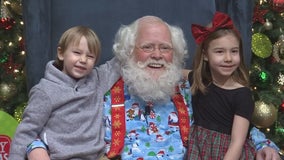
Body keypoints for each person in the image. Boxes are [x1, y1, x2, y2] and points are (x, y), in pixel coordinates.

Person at [27, 16, 281, 160]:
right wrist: (37, 149)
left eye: (165, 48)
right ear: (130, 51)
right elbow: (45, 127)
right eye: (147, 47)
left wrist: (265, 146)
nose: (156, 55)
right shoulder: (100, 87)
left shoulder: (190, 88)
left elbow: (229, 123)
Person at [8, 26, 121, 160]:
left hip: (97, 156)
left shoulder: (97, 80)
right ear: (61, 54)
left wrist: (137, 42)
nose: (83, 60)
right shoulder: (46, 90)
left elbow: (118, 64)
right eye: (77, 53)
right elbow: (27, 130)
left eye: (90, 56)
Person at [186, 11, 255, 159]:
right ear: (205, 55)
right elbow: (175, 72)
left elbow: (237, 142)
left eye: (234, 51)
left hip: (227, 153)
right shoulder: (199, 81)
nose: (228, 58)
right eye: (220, 52)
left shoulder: (242, 95)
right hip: (197, 150)